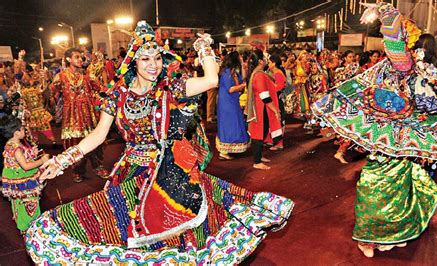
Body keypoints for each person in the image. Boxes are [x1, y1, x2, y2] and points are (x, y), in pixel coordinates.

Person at [26, 21, 293, 264]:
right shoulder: (116, 95)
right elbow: (98, 135)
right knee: (125, 237)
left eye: (157, 58)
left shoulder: (170, 88)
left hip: (169, 176)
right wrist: (62, 160)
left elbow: (211, 80)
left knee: (173, 243)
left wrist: (204, 48)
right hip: (130, 174)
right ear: (133, 62)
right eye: (145, 59)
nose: (153, 64)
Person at [313, 2, 437, 258]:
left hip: (397, 134)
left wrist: (387, 11)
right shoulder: (405, 65)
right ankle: (378, 237)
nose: (389, 43)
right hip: (392, 133)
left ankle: (385, 236)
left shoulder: (405, 63)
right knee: (386, 186)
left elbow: (434, 78)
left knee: (382, 188)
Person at [50, 48, 107, 183]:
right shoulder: (61, 76)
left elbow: (102, 89)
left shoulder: (88, 76)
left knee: (95, 142)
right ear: (69, 59)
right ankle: (77, 170)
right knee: (74, 143)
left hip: (88, 115)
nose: (80, 59)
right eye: (77, 57)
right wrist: (46, 86)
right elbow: (50, 94)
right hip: (72, 117)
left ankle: (98, 167)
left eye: (81, 57)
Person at [0, 116, 49, 232]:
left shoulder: (9, 144)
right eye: (22, 129)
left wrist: (32, 153)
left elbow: (19, 159)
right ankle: (30, 227)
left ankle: (23, 223)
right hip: (23, 180)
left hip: (14, 178)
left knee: (18, 202)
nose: (24, 131)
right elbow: (25, 166)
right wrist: (41, 161)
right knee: (29, 201)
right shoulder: (17, 149)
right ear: (16, 133)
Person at [245, 50, 282, 170]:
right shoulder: (259, 75)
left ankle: (259, 157)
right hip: (260, 110)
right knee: (258, 134)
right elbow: (264, 96)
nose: (267, 59)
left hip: (261, 108)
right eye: (265, 57)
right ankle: (257, 161)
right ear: (260, 61)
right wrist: (275, 110)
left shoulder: (258, 73)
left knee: (263, 132)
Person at [216, 51, 250, 160]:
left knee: (235, 123)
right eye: (240, 58)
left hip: (232, 101)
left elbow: (242, 79)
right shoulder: (226, 72)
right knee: (229, 124)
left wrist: (244, 68)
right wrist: (244, 85)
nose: (241, 60)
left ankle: (229, 148)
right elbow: (231, 89)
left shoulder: (233, 72)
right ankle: (223, 152)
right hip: (226, 103)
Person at [267, 54, 287, 150]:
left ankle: (279, 143)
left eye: (269, 62)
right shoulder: (277, 73)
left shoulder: (278, 74)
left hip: (277, 101)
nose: (268, 64)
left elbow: (279, 87)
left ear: (274, 63)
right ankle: (273, 140)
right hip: (276, 100)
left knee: (277, 121)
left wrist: (268, 89)